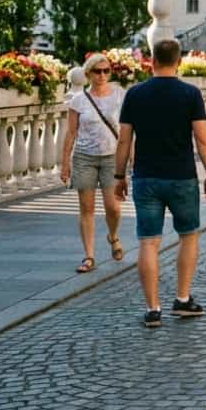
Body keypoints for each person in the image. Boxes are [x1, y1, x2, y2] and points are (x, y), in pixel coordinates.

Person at [114, 39, 206, 328]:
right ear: (179, 61)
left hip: (146, 176)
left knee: (148, 241)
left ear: (152, 60)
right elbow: (202, 139)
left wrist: (119, 176)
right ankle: (182, 299)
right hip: (182, 176)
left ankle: (152, 308)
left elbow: (124, 140)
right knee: (188, 236)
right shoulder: (190, 94)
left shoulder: (135, 94)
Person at [60, 53, 126, 274]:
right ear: (88, 74)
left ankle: (113, 236)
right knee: (86, 208)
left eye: (106, 70)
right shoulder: (78, 100)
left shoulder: (119, 95)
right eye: (98, 71)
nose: (102, 75)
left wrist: (130, 154)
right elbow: (70, 133)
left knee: (113, 207)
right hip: (84, 157)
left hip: (111, 157)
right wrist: (65, 163)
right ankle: (89, 256)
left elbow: (127, 129)